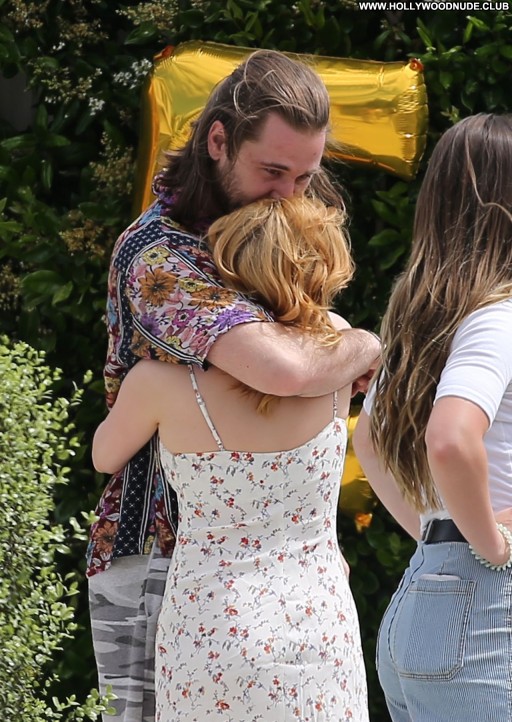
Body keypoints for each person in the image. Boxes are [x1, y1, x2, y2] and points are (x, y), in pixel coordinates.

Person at [88, 48, 380, 722]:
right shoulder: (160, 256)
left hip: (268, 571)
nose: (290, 196)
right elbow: (284, 371)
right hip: (158, 556)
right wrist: (365, 344)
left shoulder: (264, 217)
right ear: (218, 141)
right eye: (273, 171)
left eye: (305, 177)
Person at [352, 113, 512, 722]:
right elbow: (449, 439)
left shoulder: (423, 326)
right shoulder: (499, 319)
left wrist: (436, 534)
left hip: (430, 601)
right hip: (487, 610)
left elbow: (369, 441)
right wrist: (490, 544)